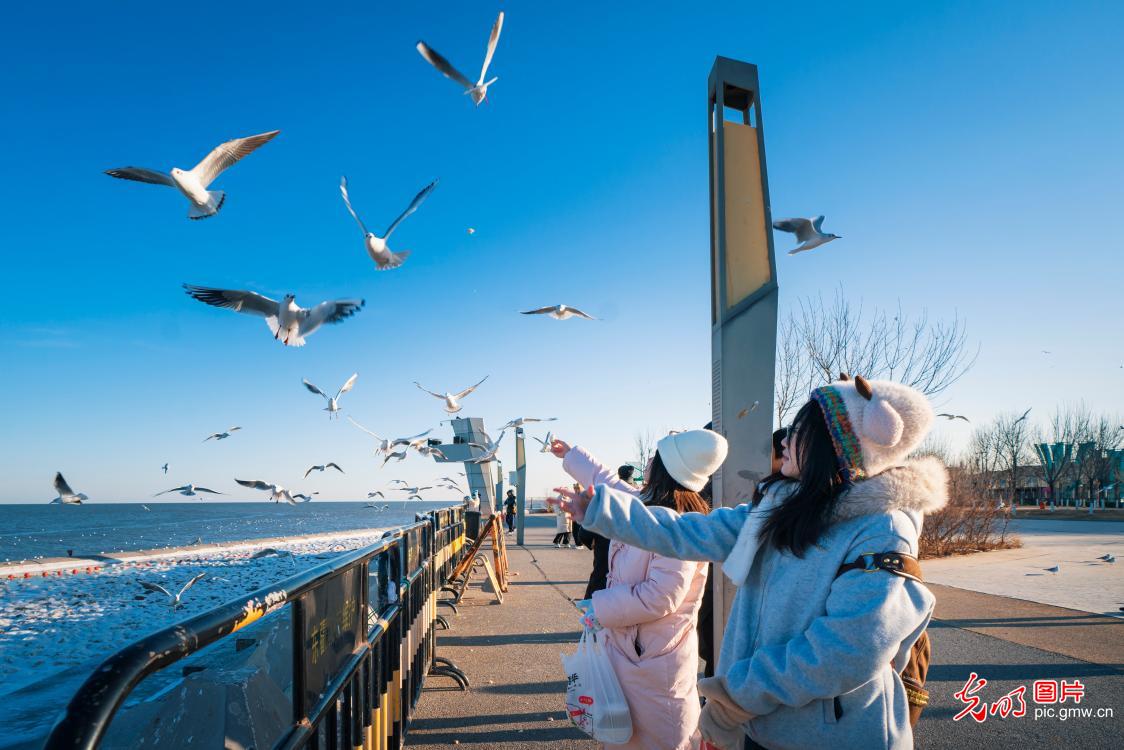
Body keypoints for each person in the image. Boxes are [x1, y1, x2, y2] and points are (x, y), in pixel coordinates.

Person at [554, 377, 947, 750]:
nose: (786, 440)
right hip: (764, 727)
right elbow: (689, 532)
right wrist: (600, 510)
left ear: (833, 445)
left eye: (799, 430)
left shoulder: (882, 528)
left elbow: (845, 651)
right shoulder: (781, 508)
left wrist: (736, 698)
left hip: (834, 736)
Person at [551, 429, 727, 750]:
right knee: (624, 735)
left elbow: (662, 595)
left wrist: (600, 607)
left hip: (655, 662)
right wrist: (571, 455)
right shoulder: (644, 505)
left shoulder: (679, 523)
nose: (646, 461)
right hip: (632, 652)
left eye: (654, 457)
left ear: (665, 468)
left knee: (662, 737)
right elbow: (605, 482)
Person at [572, 465, 634, 598]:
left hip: (604, 569)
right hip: (632, 582)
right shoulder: (642, 500)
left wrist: (592, 542)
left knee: (597, 605)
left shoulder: (607, 501)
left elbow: (584, 533)